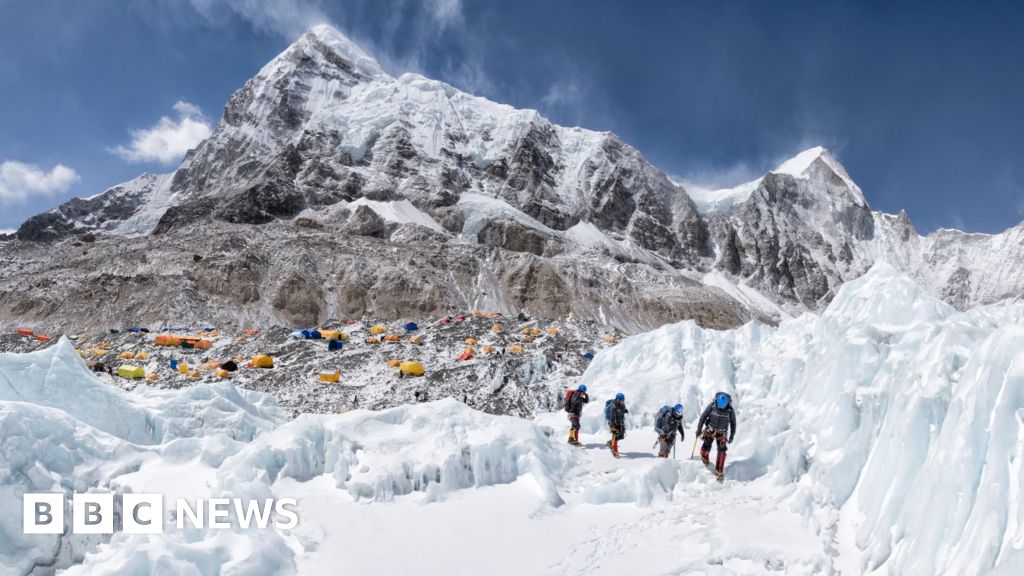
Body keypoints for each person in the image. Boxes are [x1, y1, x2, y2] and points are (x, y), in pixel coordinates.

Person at [696, 392, 737, 482]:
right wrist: (699, 429)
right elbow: (703, 417)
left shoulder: (730, 410)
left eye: (723, 407)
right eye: (720, 407)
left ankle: (719, 470)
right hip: (710, 429)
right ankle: (704, 456)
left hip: (722, 432)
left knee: (722, 450)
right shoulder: (712, 405)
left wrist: (732, 435)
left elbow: (733, 423)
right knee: (707, 445)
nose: (721, 409)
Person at [605, 392, 628, 457]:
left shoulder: (622, 405)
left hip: (620, 423)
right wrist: (612, 427)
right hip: (614, 424)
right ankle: (615, 452)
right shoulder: (613, 407)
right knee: (616, 437)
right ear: (618, 400)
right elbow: (612, 418)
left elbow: (621, 410)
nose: (623, 401)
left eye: (623, 400)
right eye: (621, 400)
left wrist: (625, 410)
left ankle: (610, 443)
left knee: (621, 435)